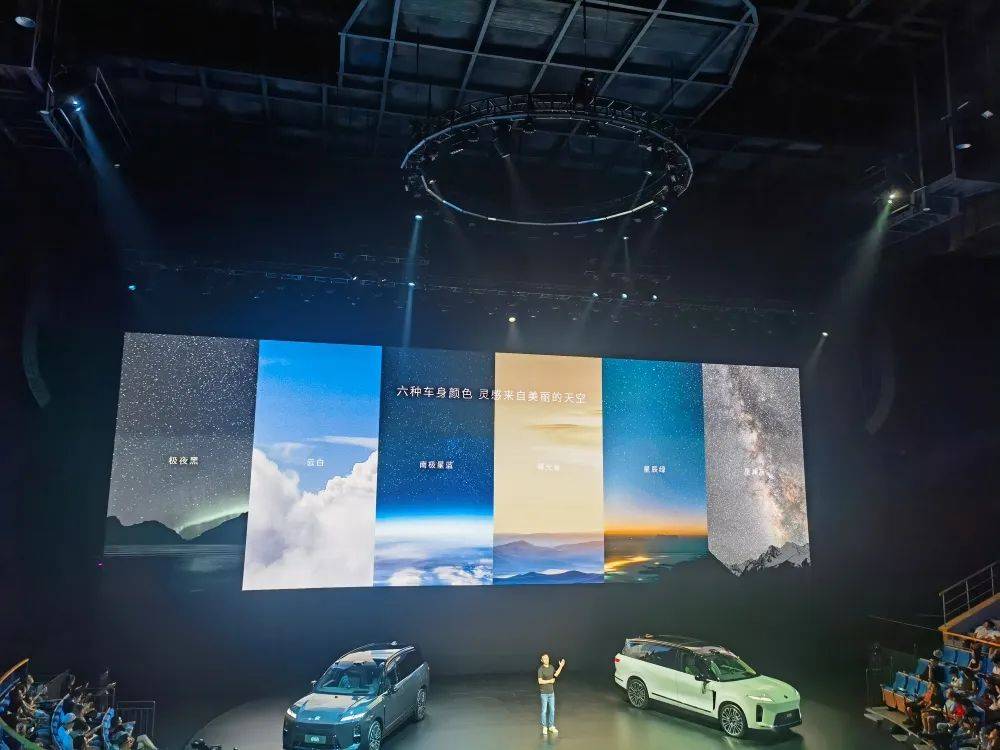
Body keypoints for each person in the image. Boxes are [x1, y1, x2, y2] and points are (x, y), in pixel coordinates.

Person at [537, 653, 565, 737]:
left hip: (551, 693)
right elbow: (540, 681)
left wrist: (561, 666)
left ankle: (551, 726)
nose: (546, 660)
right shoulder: (540, 669)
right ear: (542, 660)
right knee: (544, 711)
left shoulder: (551, 667)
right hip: (544, 694)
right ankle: (544, 727)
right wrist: (550, 681)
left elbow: (555, 675)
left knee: (552, 710)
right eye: (544, 659)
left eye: (547, 658)